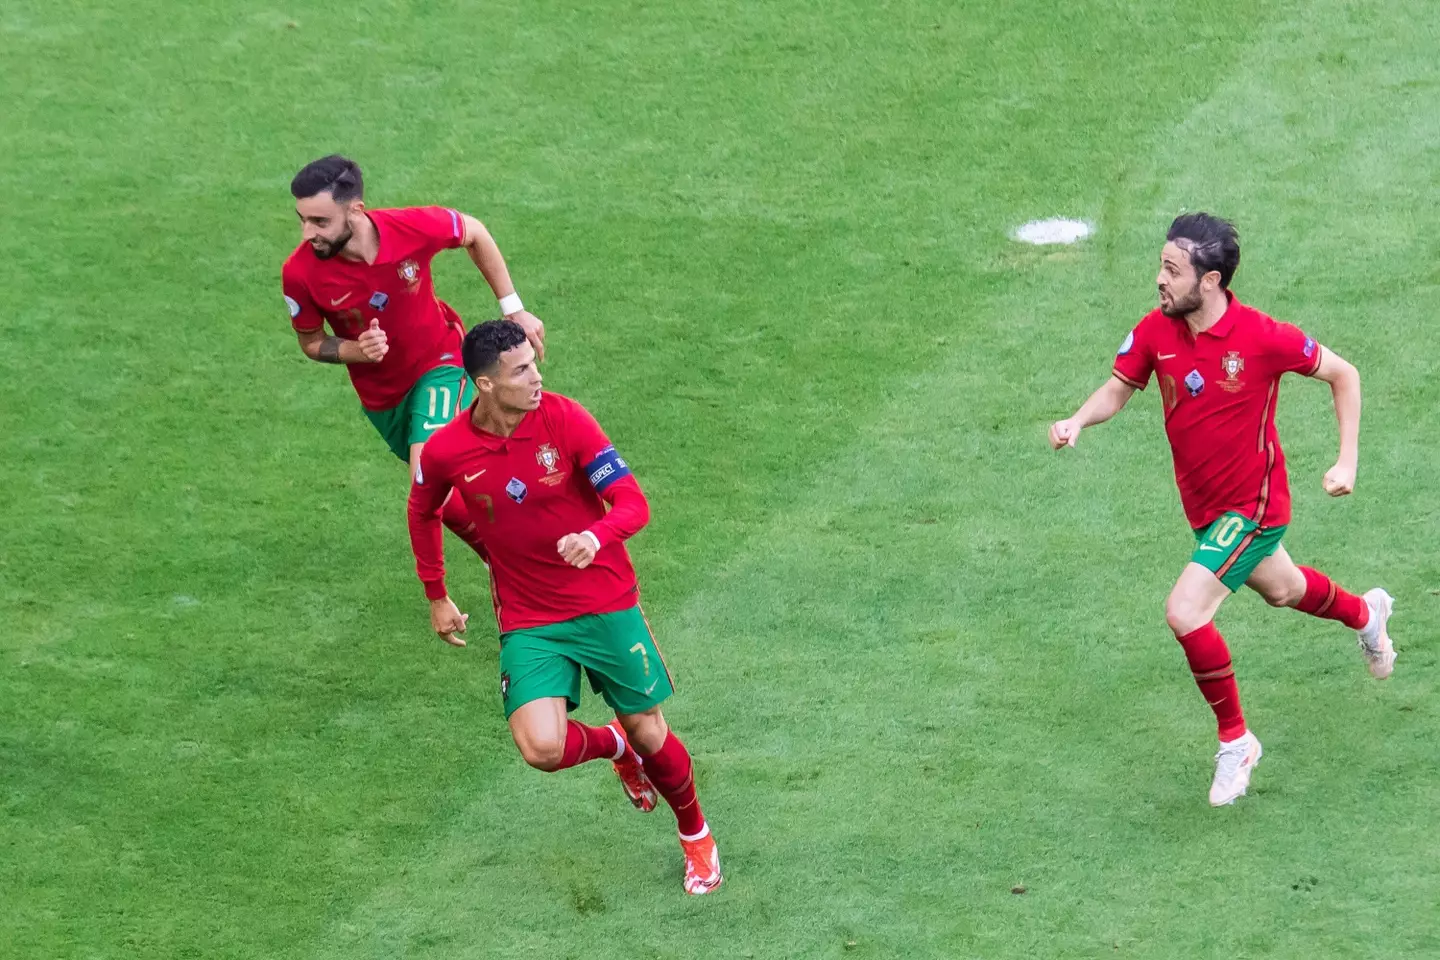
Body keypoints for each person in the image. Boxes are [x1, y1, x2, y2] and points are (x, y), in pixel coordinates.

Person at [1048, 212, 1396, 807]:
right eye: (1161, 264)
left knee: (1185, 611)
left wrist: (1348, 462)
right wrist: (1077, 420)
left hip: (1253, 507)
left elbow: (1345, 374)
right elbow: (1117, 388)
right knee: (1284, 589)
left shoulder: (1262, 337)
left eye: (1172, 270)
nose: (1160, 279)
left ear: (1209, 281)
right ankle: (1367, 615)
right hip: (1207, 510)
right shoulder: (1156, 331)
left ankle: (1237, 741)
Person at [407, 320, 723, 895]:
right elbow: (423, 508)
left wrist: (597, 536)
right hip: (531, 617)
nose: (537, 376)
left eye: (533, 363)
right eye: (521, 370)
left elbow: (632, 501)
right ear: (484, 384)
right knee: (541, 748)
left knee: (651, 731)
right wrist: (437, 593)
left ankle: (695, 834)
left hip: (603, 599)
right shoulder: (449, 448)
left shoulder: (566, 419)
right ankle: (613, 746)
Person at [280, 154, 545, 556]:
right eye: (302, 219)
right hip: (383, 399)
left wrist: (513, 308)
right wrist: (355, 350)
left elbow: (474, 231)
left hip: (439, 363)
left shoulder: (410, 228)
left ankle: (512, 568)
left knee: (425, 477)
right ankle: (512, 558)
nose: (306, 233)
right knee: (447, 496)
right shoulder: (300, 274)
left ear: (355, 210)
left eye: (319, 222)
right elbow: (312, 341)